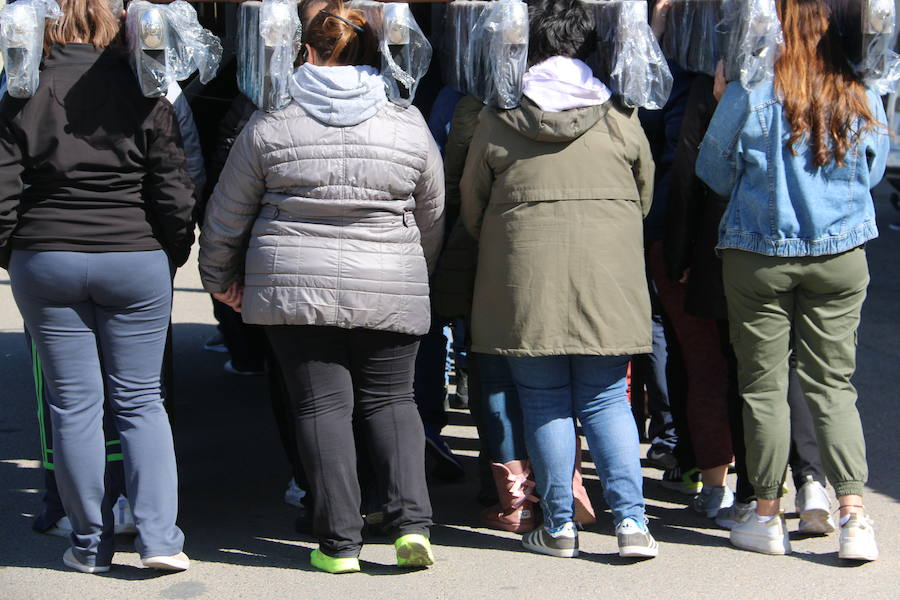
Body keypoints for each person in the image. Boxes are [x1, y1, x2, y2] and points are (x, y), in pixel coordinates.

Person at [199, 3, 445, 574]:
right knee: (394, 400)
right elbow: (432, 210)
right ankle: (413, 525)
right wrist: (414, 270)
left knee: (320, 405)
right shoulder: (407, 121)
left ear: (304, 51)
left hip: (292, 288)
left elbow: (227, 215)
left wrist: (221, 281)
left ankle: (339, 542)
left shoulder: (271, 121)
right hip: (389, 278)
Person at [0, 0, 195, 574]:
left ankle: (89, 545)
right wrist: (170, 253)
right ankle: (160, 539)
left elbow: (2, 190)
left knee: (73, 407)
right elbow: (174, 188)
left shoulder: (21, 88)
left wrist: (14, 254)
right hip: (134, 256)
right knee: (141, 402)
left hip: (47, 256)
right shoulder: (147, 87)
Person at [461, 0, 657, 559]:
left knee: (543, 400)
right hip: (607, 279)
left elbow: (473, 209)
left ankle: (560, 525)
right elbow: (643, 197)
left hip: (525, 283)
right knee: (605, 400)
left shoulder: (499, 117)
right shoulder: (620, 117)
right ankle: (632, 525)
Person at [697, 0, 888, 560]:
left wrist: (722, 105)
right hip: (840, 252)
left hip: (758, 253)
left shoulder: (750, 89)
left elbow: (713, 170)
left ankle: (765, 514)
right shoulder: (858, 89)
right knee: (833, 385)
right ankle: (854, 516)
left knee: (762, 387)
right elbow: (873, 171)